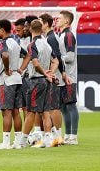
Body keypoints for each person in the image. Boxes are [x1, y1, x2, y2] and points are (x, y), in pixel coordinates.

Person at [15, 19, 57, 149]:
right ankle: (48, 139)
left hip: (36, 80)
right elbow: (56, 61)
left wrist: (45, 73)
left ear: (30, 29)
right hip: (45, 81)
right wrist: (50, 74)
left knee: (31, 112)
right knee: (45, 111)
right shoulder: (47, 44)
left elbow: (35, 63)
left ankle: (21, 141)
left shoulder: (32, 44)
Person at [0, 19, 22, 150]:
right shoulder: (15, 42)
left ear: (2, 30)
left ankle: (5, 143)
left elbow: (4, 55)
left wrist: (7, 68)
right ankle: (18, 142)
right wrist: (21, 68)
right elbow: (27, 55)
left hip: (6, 80)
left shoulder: (2, 43)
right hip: (17, 78)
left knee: (6, 112)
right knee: (16, 112)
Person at [40, 12, 68, 146]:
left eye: (41, 22)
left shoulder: (51, 38)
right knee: (51, 106)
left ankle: (59, 136)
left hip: (54, 77)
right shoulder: (49, 37)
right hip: (52, 76)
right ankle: (56, 135)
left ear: (46, 24)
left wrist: (59, 73)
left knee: (54, 107)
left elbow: (57, 57)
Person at [56, 10, 79, 145]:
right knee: (64, 107)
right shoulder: (62, 35)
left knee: (71, 105)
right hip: (63, 76)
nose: (57, 20)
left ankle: (74, 136)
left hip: (69, 76)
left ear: (66, 21)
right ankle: (68, 135)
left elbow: (70, 57)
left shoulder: (69, 35)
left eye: (59, 18)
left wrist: (56, 59)